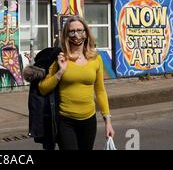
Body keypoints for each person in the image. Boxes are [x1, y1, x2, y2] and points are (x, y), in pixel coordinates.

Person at [38, 15, 115, 150]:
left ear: (86, 33)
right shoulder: (60, 58)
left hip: (89, 121)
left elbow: (100, 91)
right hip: (65, 122)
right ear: (67, 35)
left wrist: (108, 121)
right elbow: (42, 88)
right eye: (72, 31)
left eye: (80, 30)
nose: (76, 35)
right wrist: (60, 72)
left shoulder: (95, 58)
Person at [23, 46, 61, 150]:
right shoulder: (50, 68)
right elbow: (41, 90)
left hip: (48, 119)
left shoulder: (41, 69)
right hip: (51, 117)